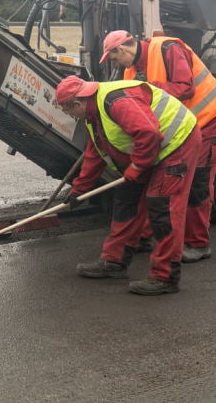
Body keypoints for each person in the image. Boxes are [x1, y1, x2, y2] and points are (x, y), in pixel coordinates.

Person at [55, 75, 201, 296]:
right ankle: (114, 261)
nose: (70, 116)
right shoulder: (93, 115)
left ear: (77, 103)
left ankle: (165, 277)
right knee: (126, 199)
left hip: (177, 143)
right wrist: (79, 190)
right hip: (151, 151)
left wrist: (138, 166)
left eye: (68, 111)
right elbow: (94, 153)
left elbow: (149, 133)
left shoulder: (115, 101)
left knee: (162, 208)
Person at [100, 30, 216, 262]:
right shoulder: (130, 73)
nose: (116, 64)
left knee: (196, 184)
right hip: (180, 129)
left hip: (207, 118)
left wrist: (147, 87)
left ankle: (198, 244)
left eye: (114, 58)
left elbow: (185, 88)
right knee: (157, 180)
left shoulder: (167, 48)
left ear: (122, 49)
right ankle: (148, 236)